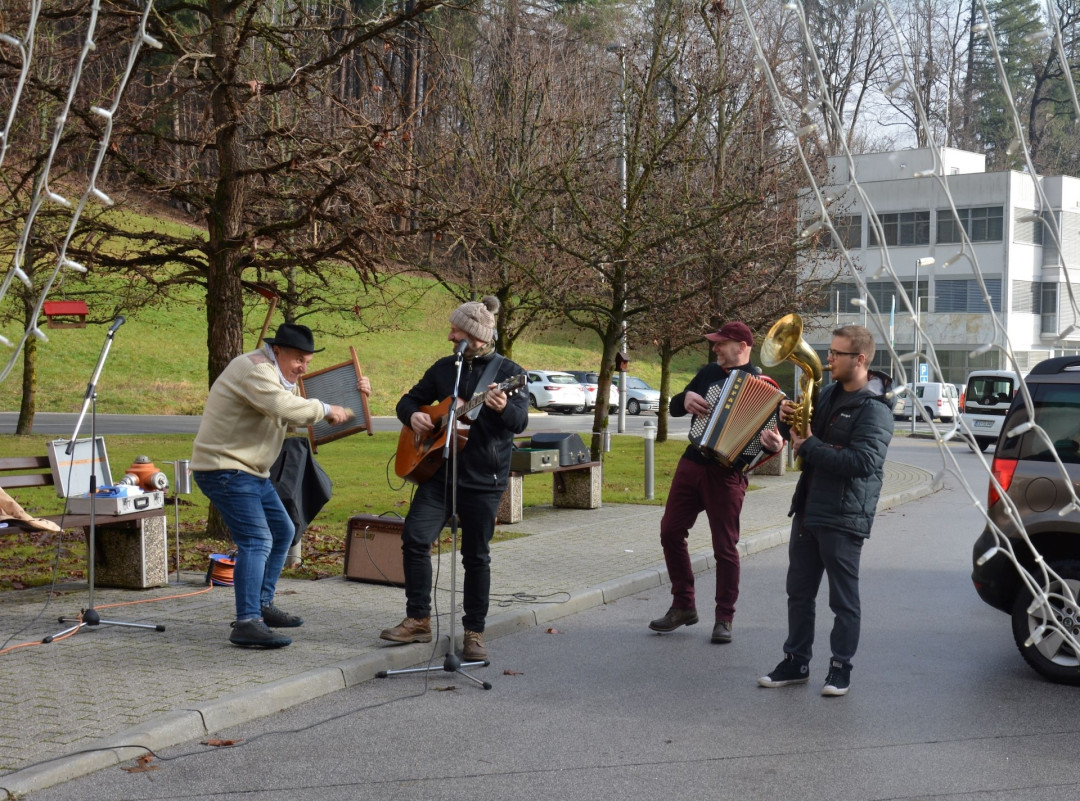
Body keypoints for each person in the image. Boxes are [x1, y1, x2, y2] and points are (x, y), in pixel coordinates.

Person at [192, 323, 369, 648]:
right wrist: (329, 408)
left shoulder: (275, 378)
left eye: (308, 361)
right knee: (257, 539)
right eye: (298, 359)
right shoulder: (255, 371)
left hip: (249, 471)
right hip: (223, 469)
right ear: (277, 351)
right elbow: (287, 408)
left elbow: (295, 418)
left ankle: (261, 605)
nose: (303, 367)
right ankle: (247, 622)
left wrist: (354, 398)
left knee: (283, 531)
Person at [381, 296, 528, 662]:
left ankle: (474, 633)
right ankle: (418, 619)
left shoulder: (509, 372)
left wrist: (503, 407)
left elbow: (520, 422)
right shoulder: (446, 368)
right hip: (438, 474)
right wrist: (413, 415)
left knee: (475, 556)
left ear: (475, 335)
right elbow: (407, 401)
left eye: (456, 330)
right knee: (415, 538)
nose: (449, 334)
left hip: (483, 479)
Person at [758, 324, 893, 696]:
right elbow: (804, 438)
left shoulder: (875, 410)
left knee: (842, 600)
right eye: (829, 352)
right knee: (798, 592)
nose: (829, 359)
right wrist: (783, 429)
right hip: (808, 509)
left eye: (837, 354)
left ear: (861, 359)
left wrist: (810, 445)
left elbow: (863, 461)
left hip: (844, 515)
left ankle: (840, 668)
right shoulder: (827, 393)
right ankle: (796, 661)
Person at [648, 321, 784, 644]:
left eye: (721, 344)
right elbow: (675, 405)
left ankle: (724, 617)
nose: (715, 348)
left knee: (724, 548)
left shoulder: (766, 387)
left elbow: (780, 439)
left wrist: (775, 445)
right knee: (670, 531)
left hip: (727, 473)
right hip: (693, 461)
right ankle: (683, 605)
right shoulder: (708, 373)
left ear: (741, 346)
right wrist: (686, 399)